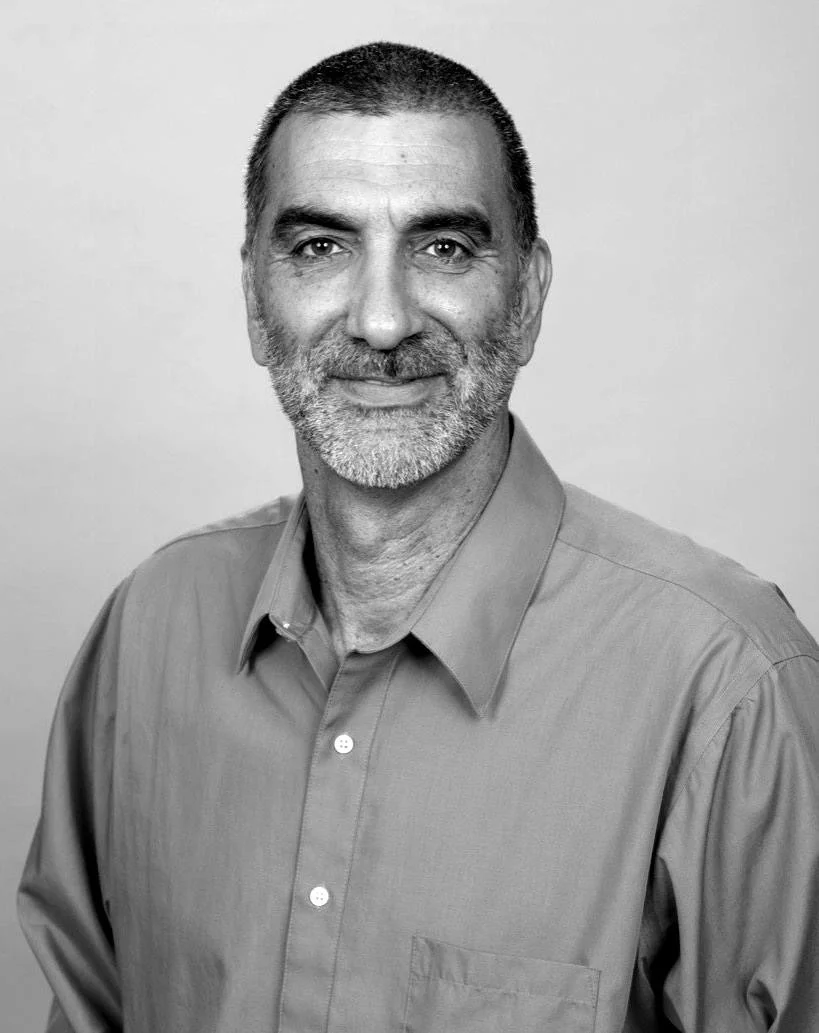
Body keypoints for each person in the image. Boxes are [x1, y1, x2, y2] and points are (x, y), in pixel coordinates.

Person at [18, 41, 819, 1033]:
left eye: (443, 248)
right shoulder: (150, 631)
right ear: (256, 302)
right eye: (322, 247)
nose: (383, 320)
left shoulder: (729, 688)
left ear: (527, 296)